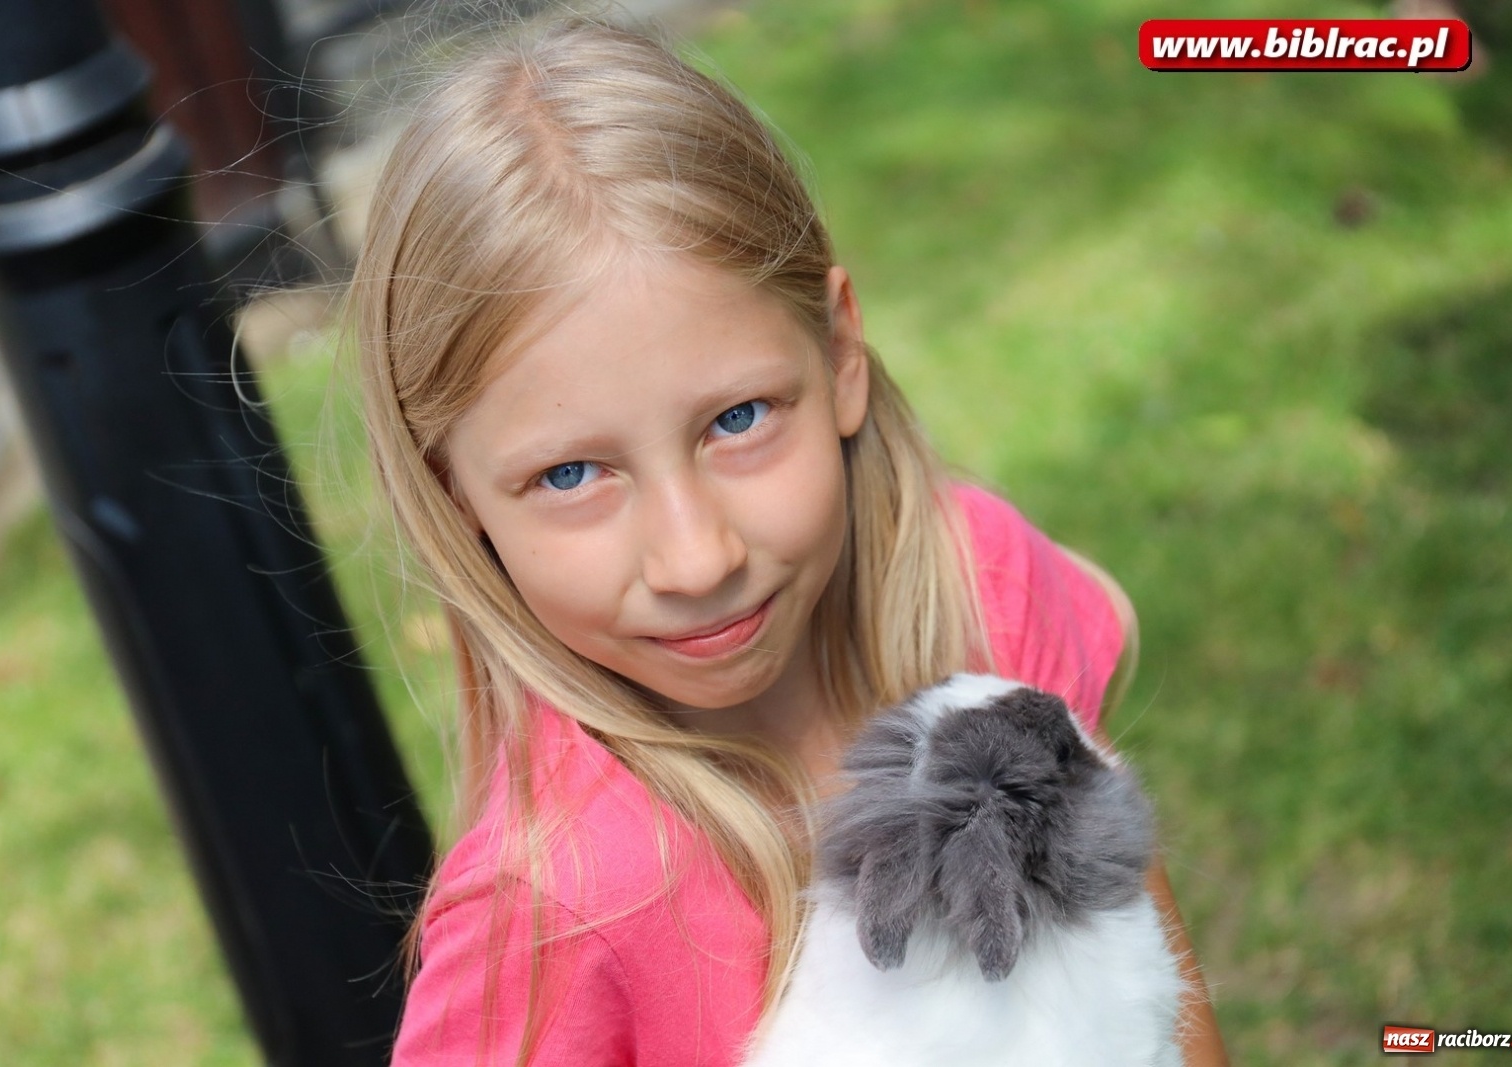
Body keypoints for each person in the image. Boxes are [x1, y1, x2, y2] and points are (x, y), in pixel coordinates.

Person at [349, 17, 1227, 1066]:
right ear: (454, 493)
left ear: (841, 350)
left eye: (739, 419)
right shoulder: (551, 910)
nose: (697, 558)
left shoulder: (981, 582)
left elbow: (1156, 989)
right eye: (572, 474)